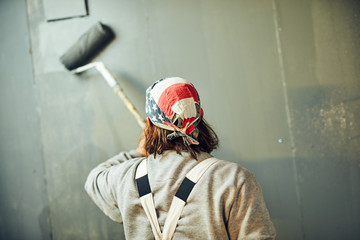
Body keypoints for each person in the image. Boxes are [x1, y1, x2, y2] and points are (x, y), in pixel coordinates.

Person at [85, 77, 276, 240]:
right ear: (199, 117)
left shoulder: (125, 177)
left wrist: (139, 151)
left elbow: (94, 179)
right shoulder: (234, 179)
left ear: (150, 124)